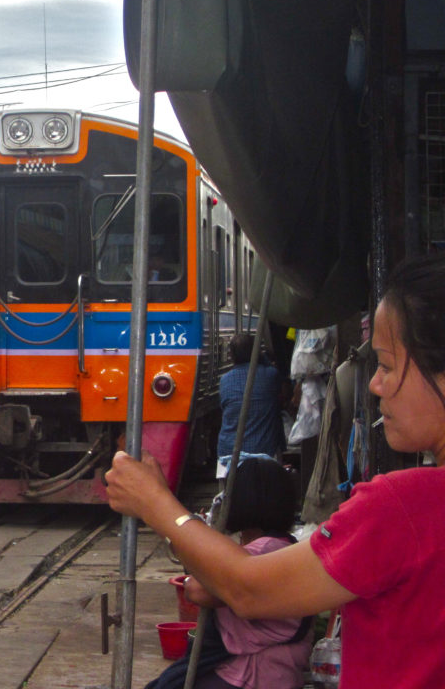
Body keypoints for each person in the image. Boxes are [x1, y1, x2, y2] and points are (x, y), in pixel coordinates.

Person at [105, 251, 445, 689]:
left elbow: (250, 588)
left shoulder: (404, 507)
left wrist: (156, 503)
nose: (375, 384)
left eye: (386, 365)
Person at [148, 456, 311, 689]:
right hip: (273, 673)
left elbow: (196, 589)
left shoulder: (264, 551)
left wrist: (188, 536)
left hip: (253, 676)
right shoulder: (283, 546)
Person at [215, 334, 284, 478]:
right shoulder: (271, 375)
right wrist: (262, 357)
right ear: (257, 352)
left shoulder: (225, 381)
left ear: (231, 355)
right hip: (262, 450)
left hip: (228, 451)